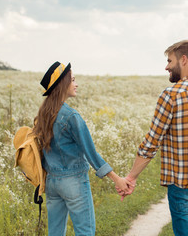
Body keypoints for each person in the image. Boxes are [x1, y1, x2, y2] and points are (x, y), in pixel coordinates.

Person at [118, 40, 188, 235]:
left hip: (183, 187)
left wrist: (131, 178)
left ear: (183, 60)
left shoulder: (171, 95)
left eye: (170, 60)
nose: (166, 66)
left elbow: (151, 144)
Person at [33, 61, 132, 236]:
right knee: (85, 232)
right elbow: (91, 152)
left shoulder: (43, 114)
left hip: (52, 183)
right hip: (74, 182)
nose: (76, 84)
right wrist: (117, 179)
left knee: (55, 233)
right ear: (62, 85)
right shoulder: (71, 116)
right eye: (72, 80)